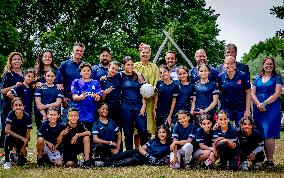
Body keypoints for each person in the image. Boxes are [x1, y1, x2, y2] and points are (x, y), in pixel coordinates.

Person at [251, 56, 282, 167]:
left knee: (269, 133)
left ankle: (269, 160)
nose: (268, 66)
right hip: (258, 108)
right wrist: (259, 104)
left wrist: (264, 103)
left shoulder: (277, 78)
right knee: (259, 133)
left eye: (271, 64)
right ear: (263, 65)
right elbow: (252, 93)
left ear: (273, 66)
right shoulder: (257, 78)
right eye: (266, 64)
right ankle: (258, 159)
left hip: (272, 108)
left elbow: (277, 93)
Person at [94, 124, 171, 167]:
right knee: (116, 157)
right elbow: (141, 149)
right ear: (157, 134)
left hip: (140, 160)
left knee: (122, 162)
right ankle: (95, 160)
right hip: (136, 152)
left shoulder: (167, 147)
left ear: (167, 133)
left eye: (163, 132)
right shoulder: (153, 141)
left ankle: (103, 164)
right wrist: (148, 155)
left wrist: (157, 161)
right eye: (159, 132)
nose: (161, 134)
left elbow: (166, 159)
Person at [120, 56, 148, 150]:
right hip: (126, 106)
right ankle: (129, 152)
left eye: (132, 65)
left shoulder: (138, 76)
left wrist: (144, 106)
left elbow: (144, 91)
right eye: (128, 65)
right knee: (128, 131)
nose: (130, 67)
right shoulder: (120, 76)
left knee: (143, 129)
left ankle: (145, 152)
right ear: (123, 65)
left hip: (138, 106)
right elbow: (111, 77)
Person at [217, 56, 251, 127]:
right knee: (226, 128)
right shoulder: (220, 76)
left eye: (232, 63)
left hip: (240, 108)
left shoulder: (243, 75)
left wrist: (247, 110)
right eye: (227, 63)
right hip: (226, 109)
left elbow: (248, 92)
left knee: (240, 129)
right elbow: (220, 92)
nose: (229, 66)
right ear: (224, 65)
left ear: (235, 64)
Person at [134, 43, 159, 135]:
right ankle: (137, 149)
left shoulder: (154, 67)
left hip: (150, 100)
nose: (145, 54)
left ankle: (147, 148)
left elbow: (156, 82)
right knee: (137, 129)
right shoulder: (135, 66)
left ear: (150, 54)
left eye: (147, 52)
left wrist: (152, 92)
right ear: (140, 53)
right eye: (143, 52)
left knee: (149, 126)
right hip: (137, 100)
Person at [0, 52, 24, 147]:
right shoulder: (8, 74)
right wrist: (14, 86)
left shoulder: (25, 74)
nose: (17, 61)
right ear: (10, 61)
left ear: (21, 61)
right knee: (7, 129)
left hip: (21, 107)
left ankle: (16, 151)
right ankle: (6, 154)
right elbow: (2, 90)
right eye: (14, 59)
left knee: (18, 129)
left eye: (18, 59)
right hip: (8, 106)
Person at [3, 97, 32, 169]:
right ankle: (7, 161)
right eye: (16, 105)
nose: (18, 107)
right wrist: (22, 138)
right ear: (12, 107)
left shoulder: (27, 117)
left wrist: (24, 147)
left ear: (23, 106)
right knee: (7, 138)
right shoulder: (10, 114)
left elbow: (27, 134)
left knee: (21, 163)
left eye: (20, 105)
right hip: (12, 137)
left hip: (21, 140)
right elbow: (7, 130)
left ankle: (13, 156)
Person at [71, 63, 102, 131]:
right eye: (84, 70)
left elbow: (99, 97)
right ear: (80, 72)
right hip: (79, 114)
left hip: (93, 115)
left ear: (91, 72)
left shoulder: (95, 82)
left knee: (91, 136)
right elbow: (74, 97)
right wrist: (80, 97)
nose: (86, 72)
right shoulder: (76, 82)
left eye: (88, 70)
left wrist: (96, 97)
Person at [59, 42, 85, 123]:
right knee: (65, 125)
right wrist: (62, 97)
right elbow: (58, 83)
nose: (79, 52)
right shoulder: (64, 65)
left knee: (80, 126)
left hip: (82, 101)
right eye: (77, 50)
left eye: (81, 51)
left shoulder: (85, 66)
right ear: (72, 51)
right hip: (67, 101)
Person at [99, 61, 122, 126]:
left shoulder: (118, 76)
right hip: (107, 108)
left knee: (118, 128)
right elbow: (101, 99)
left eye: (116, 70)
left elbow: (128, 70)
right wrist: (105, 93)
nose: (114, 71)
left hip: (118, 107)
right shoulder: (103, 80)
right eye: (113, 68)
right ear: (109, 68)